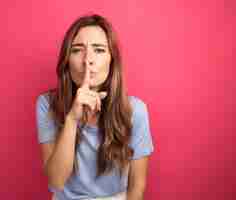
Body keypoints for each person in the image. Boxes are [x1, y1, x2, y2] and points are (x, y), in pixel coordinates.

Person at [35, 14, 154, 200]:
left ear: (112, 59)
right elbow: (56, 181)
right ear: (66, 60)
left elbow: (137, 185)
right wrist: (72, 119)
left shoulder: (135, 110)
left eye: (98, 50)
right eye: (77, 50)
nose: (87, 60)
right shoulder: (47, 104)